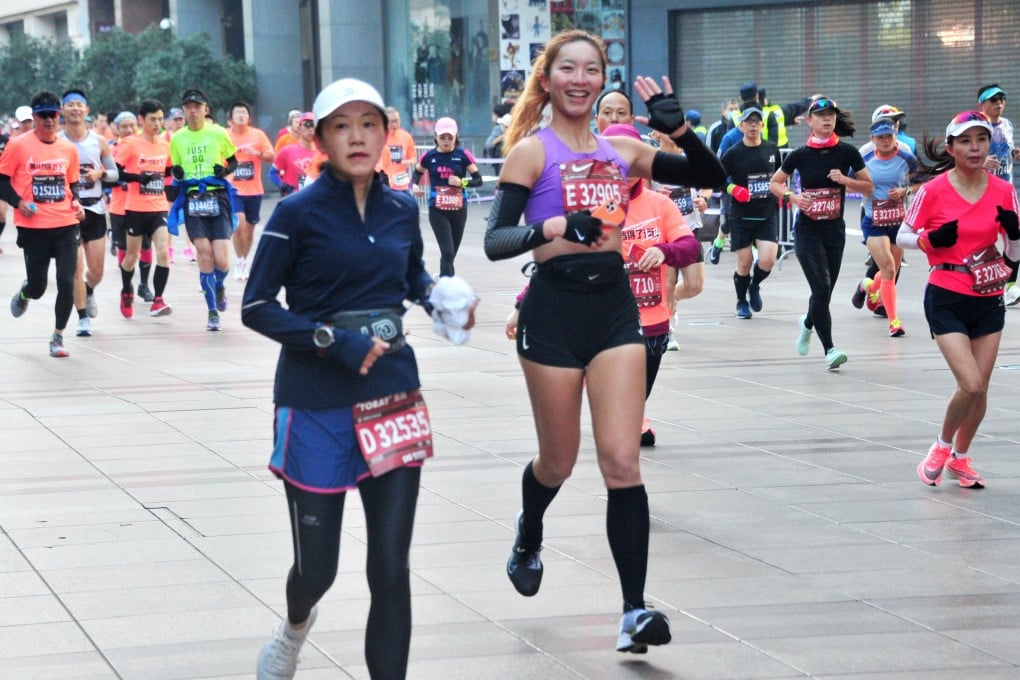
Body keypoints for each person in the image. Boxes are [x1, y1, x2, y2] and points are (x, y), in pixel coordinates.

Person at [484, 29, 725, 653]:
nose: (580, 79)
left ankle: (633, 611)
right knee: (558, 462)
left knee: (622, 461)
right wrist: (553, 226)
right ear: (547, 80)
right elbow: (494, 240)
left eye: (591, 69)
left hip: (615, 310)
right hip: (553, 312)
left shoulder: (623, 150)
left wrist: (681, 132)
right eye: (568, 68)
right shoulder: (530, 154)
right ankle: (530, 529)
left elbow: (712, 176)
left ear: (601, 81)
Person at [242, 77, 475, 680]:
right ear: (319, 139)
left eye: (368, 124)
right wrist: (330, 341)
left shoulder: (401, 207)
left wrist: (439, 299)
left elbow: (411, 276)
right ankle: (294, 628)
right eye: (342, 126)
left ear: (386, 133)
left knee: (391, 567)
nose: (357, 137)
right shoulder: (296, 213)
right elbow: (256, 306)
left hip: (392, 392)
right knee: (316, 571)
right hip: (314, 399)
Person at [898, 110, 1019, 489]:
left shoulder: (1004, 191)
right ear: (951, 148)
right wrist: (929, 240)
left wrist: (1015, 239)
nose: (975, 148)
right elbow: (902, 235)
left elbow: (1013, 250)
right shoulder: (933, 191)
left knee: (981, 389)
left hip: (988, 295)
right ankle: (941, 446)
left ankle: (960, 459)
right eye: (966, 141)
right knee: (970, 383)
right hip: (947, 295)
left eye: (981, 140)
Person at [769, 97, 873, 369]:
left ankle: (807, 324)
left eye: (831, 115)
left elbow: (868, 187)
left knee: (823, 293)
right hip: (807, 231)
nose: (827, 119)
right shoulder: (800, 154)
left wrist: (845, 180)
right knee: (821, 287)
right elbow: (775, 183)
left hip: (834, 232)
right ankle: (830, 349)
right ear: (810, 121)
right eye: (821, 115)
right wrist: (793, 197)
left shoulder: (848, 152)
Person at [0, 91, 85, 357]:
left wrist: (77, 202)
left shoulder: (68, 149)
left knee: (67, 281)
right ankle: (25, 293)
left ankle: (57, 336)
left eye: (53, 115)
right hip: (33, 227)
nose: (49, 120)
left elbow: (72, 184)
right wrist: (19, 203)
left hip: (65, 223)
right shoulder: (17, 146)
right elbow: (2, 181)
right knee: (38, 287)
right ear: (35, 118)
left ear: (59, 117)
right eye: (43, 116)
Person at [169, 87, 238, 331]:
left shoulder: (218, 133)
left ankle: (219, 285)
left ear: (205, 109)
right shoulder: (177, 138)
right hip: (193, 198)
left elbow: (233, 160)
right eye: (188, 107)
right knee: (204, 253)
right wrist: (176, 173)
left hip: (217, 196)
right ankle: (212, 312)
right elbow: (175, 168)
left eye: (197, 107)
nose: (193, 111)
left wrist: (225, 170)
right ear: (184, 110)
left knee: (222, 260)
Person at [59, 88, 118, 338]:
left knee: (96, 271)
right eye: (70, 104)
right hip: (68, 211)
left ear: (87, 110)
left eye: (79, 104)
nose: (75, 108)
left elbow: (114, 174)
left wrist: (99, 174)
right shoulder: (57, 141)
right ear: (62, 110)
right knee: (76, 267)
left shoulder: (98, 141)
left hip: (94, 209)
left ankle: (89, 289)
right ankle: (82, 317)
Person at [851, 118, 918, 337]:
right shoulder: (865, 159)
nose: (886, 140)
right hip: (874, 222)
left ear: (895, 136)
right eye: (881, 137)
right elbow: (850, 184)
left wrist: (905, 191)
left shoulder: (906, 158)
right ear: (873, 139)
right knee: (888, 269)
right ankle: (894, 322)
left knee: (890, 271)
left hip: (898, 222)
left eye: (889, 136)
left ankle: (867, 286)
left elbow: (923, 181)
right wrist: (864, 188)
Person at [113, 99, 174, 318]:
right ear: (142, 120)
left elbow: (167, 171)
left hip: (158, 207)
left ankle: (158, 300)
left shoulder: (165, 145)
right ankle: (126, 290)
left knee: (163, 253)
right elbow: (116, 172)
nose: (157, 124)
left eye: (160, 119)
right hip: (135, 209)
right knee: (132, 256)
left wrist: (177, 173)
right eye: (153, 119)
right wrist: (139, 178)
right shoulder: (130, 144)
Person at [719, 105, 781, 318]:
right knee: (744, 263)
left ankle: (754, 285)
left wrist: (783, 193)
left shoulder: (772, 149)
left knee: (768, 260)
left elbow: (779, 175)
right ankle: (741, 302)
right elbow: (718, 179)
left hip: (766, 214)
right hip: (741, 215)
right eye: (749, 121)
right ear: (741, 126)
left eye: (757, 121)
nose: (753, 125)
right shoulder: (733, 153)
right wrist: (733, 189)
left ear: (762, 125)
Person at [412, 116, 482, 277]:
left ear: (456, 137)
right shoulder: (429, 156)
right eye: (442, 137)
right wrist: (415, 185)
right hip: (437, 209)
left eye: (450, 137)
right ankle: (447, 285)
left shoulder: (463, 155)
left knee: (451, 254)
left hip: (459, 208)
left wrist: (462, 182)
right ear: (435, 137)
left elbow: (479, 180)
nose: (446, 141)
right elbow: (417, 174)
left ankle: (443, 279)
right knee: (448, 252)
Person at [976, 85, 1020, 307]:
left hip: (1006, 191)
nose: (999, 104)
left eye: (1001, 100)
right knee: (982, 240)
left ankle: (1010, 286)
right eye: (993, 100)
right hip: (981, 192)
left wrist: (1015, 152)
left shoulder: (1007, 125)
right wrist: (981, 161)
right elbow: (960, 154)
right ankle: (981, 284)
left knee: (1015, 238)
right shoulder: (976, 127)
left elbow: (1006, 149)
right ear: (981, 104)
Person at [227, 100, 275, 280]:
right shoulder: (225, 136)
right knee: (239, 225)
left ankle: (243, 260)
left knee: (249, 230)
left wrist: (257, 153)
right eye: (237, 112)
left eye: (244, 113)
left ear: (249, 117)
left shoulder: (258, 135)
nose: (241, 115)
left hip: (254, 190)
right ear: (231, 118)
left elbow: (272, 157)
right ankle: (239, 261)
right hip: (234, 189)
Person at [270, 113, 317, 195]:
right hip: (293, 199)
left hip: (317, 199)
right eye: (307, 125)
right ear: (299, 129)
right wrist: (282, 186)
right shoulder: (287, 151)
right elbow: (272, 173)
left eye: (314, 125)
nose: (311, 129)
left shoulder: (323, 152)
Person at [375, 106, 417, 192]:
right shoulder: (377, 137)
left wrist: (409, 162)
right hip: (383, 183)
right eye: (391, 121)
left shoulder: (406, 137)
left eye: (396, 121)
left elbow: (413, 158)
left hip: (401, 183)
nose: (394, 124)